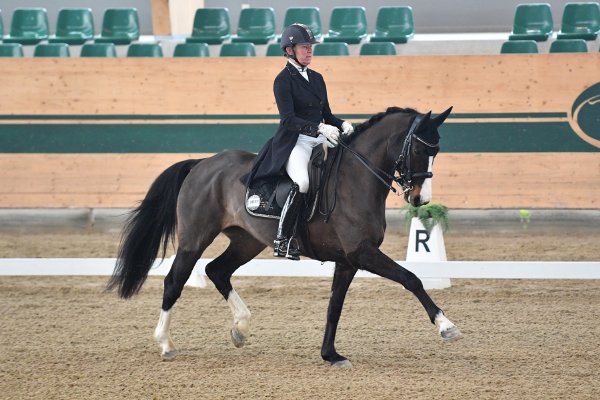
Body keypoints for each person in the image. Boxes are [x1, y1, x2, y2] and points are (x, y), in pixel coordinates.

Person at [243, 23, 354, 260]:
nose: (309, 51)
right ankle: (283, 239)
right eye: (304, 47)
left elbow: (328, 114)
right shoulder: (283, 80)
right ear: (290, 50)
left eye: (310, 47)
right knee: (302, 182)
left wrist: (342, 123)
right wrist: (318, 128)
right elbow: (288, 119)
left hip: (319, 137)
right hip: (297, 141)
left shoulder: (317, 78)